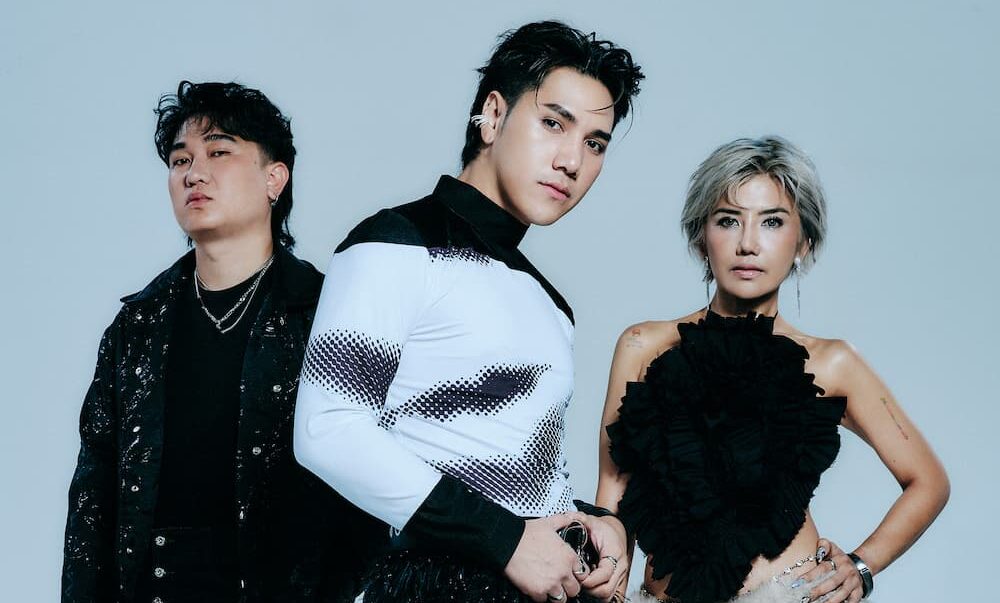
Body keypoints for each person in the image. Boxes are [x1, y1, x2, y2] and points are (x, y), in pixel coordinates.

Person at [293, 21, 643, 603]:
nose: (571, 160)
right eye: (554, 123)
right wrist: (505, 541)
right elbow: (327, 429)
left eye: (595, 143)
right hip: (429, 586)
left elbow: (516, 471)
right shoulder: (396, 243)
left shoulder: (551, 304)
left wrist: (599, 525)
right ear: (493, 115)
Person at [62, 81, 386, 603]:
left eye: (219, 152)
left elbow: (366, 485)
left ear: (274, 178)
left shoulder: (328, 315)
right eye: (180, 160)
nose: (194, 173)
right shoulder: (136, 328)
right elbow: (92, 496)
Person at [596, 136, 950, 603]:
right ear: (702, 238)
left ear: (803, 242)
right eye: (728, 220)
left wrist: (862, 567)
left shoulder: (831, 362)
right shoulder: (643, 345)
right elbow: (613, 490)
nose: (747, 243)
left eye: (772, 222)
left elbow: (929, 482)